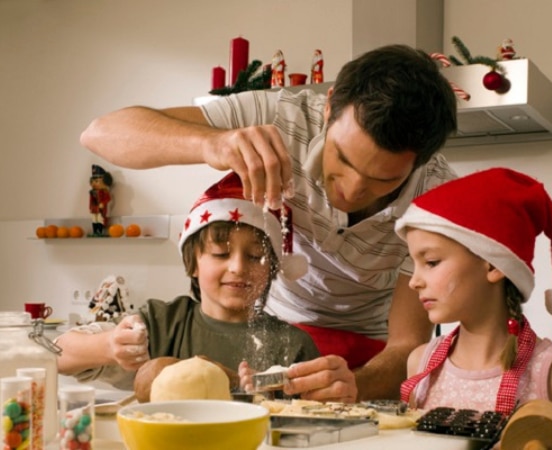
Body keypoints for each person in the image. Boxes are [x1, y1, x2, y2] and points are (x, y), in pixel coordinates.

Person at [79, 44, 458, 401]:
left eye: (384, 180)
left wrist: (349, 385)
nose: (353, 190)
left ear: (421, 162)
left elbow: (407, 345)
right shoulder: (280, 115)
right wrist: (212, 143)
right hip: (278, 335)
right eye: (342, 159)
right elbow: (100, 134)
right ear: (327, 109)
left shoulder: (437, 192)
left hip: (372, 353)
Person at [395, 167, 552, 444]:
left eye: (431, 262)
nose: (414, 282)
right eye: (414, 263)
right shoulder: (420, 364)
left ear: (493, 265)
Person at [56, 172, 320, 395]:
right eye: (221, 253)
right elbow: (57, 355)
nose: (238, 268)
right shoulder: (161, 325)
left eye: (255, 256)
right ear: (193, 263)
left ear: (272, 268)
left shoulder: (293, 345)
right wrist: (109, 346)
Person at [88, 164, 113, 236]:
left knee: (100, 219)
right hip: (94, 209)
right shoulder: (92, 192)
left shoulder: (104, 192)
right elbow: (91, 201)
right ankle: (95, 231)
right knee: (94, 220)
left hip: (100, 209)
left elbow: (108, 198)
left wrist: (103, 203)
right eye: (92, 182)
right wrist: (90, 207)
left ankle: (100, 231)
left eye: (96, 181)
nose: (94, 184)